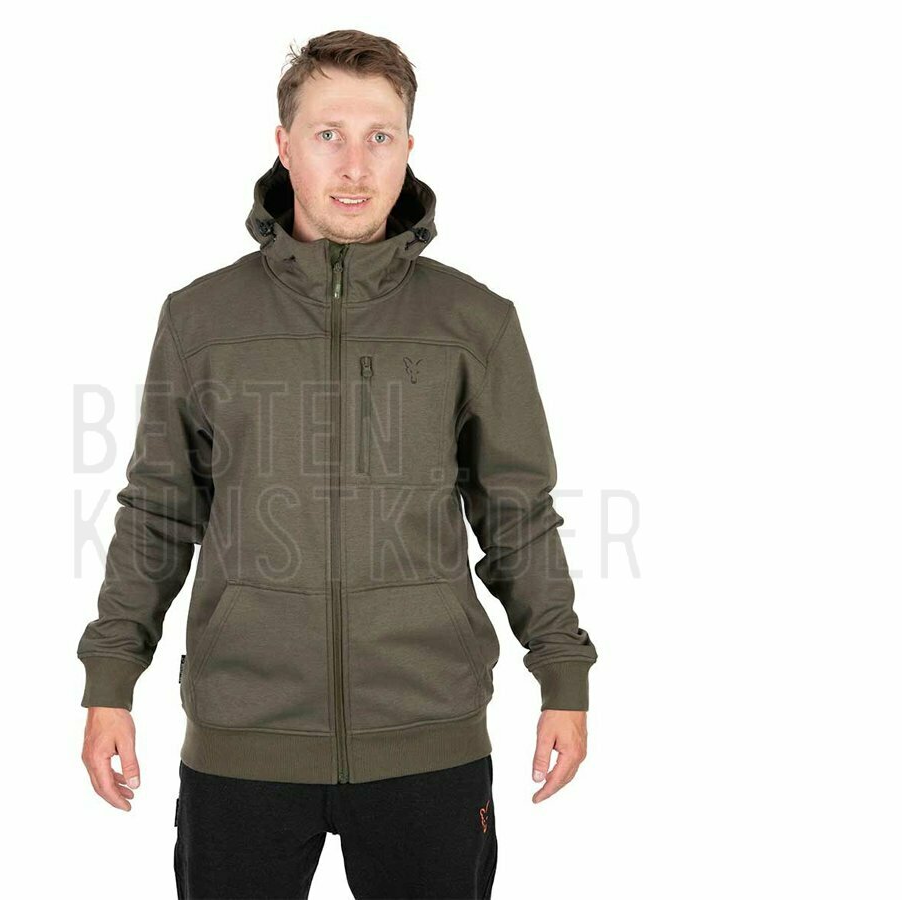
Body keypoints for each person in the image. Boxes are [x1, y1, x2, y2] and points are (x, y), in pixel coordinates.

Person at [77, 29, 597, 899]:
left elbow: (517, 515)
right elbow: (159, 510)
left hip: (429, 737)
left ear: (409, 147)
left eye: (379, 136)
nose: (355, 166)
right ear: (285, 145)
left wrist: (563, 675)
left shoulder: (474, 322)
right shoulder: (200, 320)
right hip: (243, 741)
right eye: (329, 135)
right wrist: (110, 680)